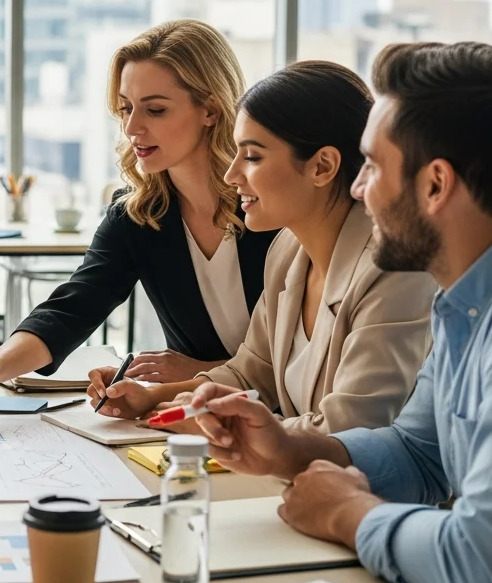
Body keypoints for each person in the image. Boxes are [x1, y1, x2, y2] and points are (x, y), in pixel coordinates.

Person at [189, 42, 492, 583]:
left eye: (371, 166)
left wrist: (348, 513)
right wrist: (290, 449)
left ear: (435, 184)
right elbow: (420, 454)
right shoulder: (477, 292)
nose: (359, 189)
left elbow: (489, 569)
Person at [0, 19, 277, 431]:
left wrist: (200, 370)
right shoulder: (139, 214)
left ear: (210, 109)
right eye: (125, 109)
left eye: (155, 109)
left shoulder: (270, 208)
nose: (133, 128)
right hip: (199, 424)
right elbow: (72, 307)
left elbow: (302, 359)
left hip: (288, 424)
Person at [86, 61, 436, 433]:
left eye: (252, 157)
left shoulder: (394, 270)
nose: (231, 174)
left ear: (322, 166)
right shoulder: (288, 251)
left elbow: (352, 428)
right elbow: (250, 373)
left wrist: (224, 425)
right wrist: (153, 398)